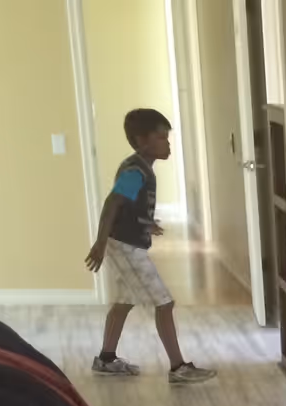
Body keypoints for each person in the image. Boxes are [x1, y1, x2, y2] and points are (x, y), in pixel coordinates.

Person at [84, 108, 216, 385]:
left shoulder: (139, 168)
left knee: (123, 302)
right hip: (126, 247)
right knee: (164, 303)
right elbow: (112, 203)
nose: (167, 144)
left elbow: (128, 206)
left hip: (125, 243)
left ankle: (106, 359)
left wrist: (146, 222)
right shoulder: (136, 171)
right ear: (141, 140)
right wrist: (99, 242)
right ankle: (178, 367)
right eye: (161, 138)